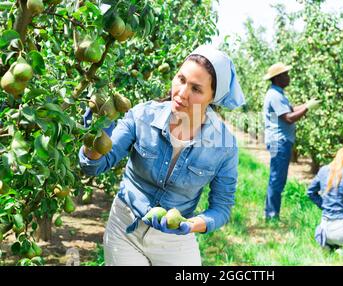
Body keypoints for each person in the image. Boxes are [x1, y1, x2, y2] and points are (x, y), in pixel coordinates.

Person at [78, 45, 245, 266]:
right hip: (125, 226)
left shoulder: (224, 146)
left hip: (174, 239)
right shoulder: (142, 116)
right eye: (181, 79)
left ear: (212, 97)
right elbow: (93, 166)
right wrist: (95, 137)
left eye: (196, 89)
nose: (182, 93)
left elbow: (221, 208)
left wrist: (192, 224)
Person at [263, 62, 321, 220]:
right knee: (277, 179)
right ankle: (272, 215)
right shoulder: (275, 95)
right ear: (278, 78)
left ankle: (270, 213)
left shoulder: (278, 94)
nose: (288, 77)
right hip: (279, 141)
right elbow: (288, 118)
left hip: (281, 140)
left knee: (276, 178)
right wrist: (308, 108)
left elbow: (290, 110)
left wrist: (307, 104)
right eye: (286, 74)